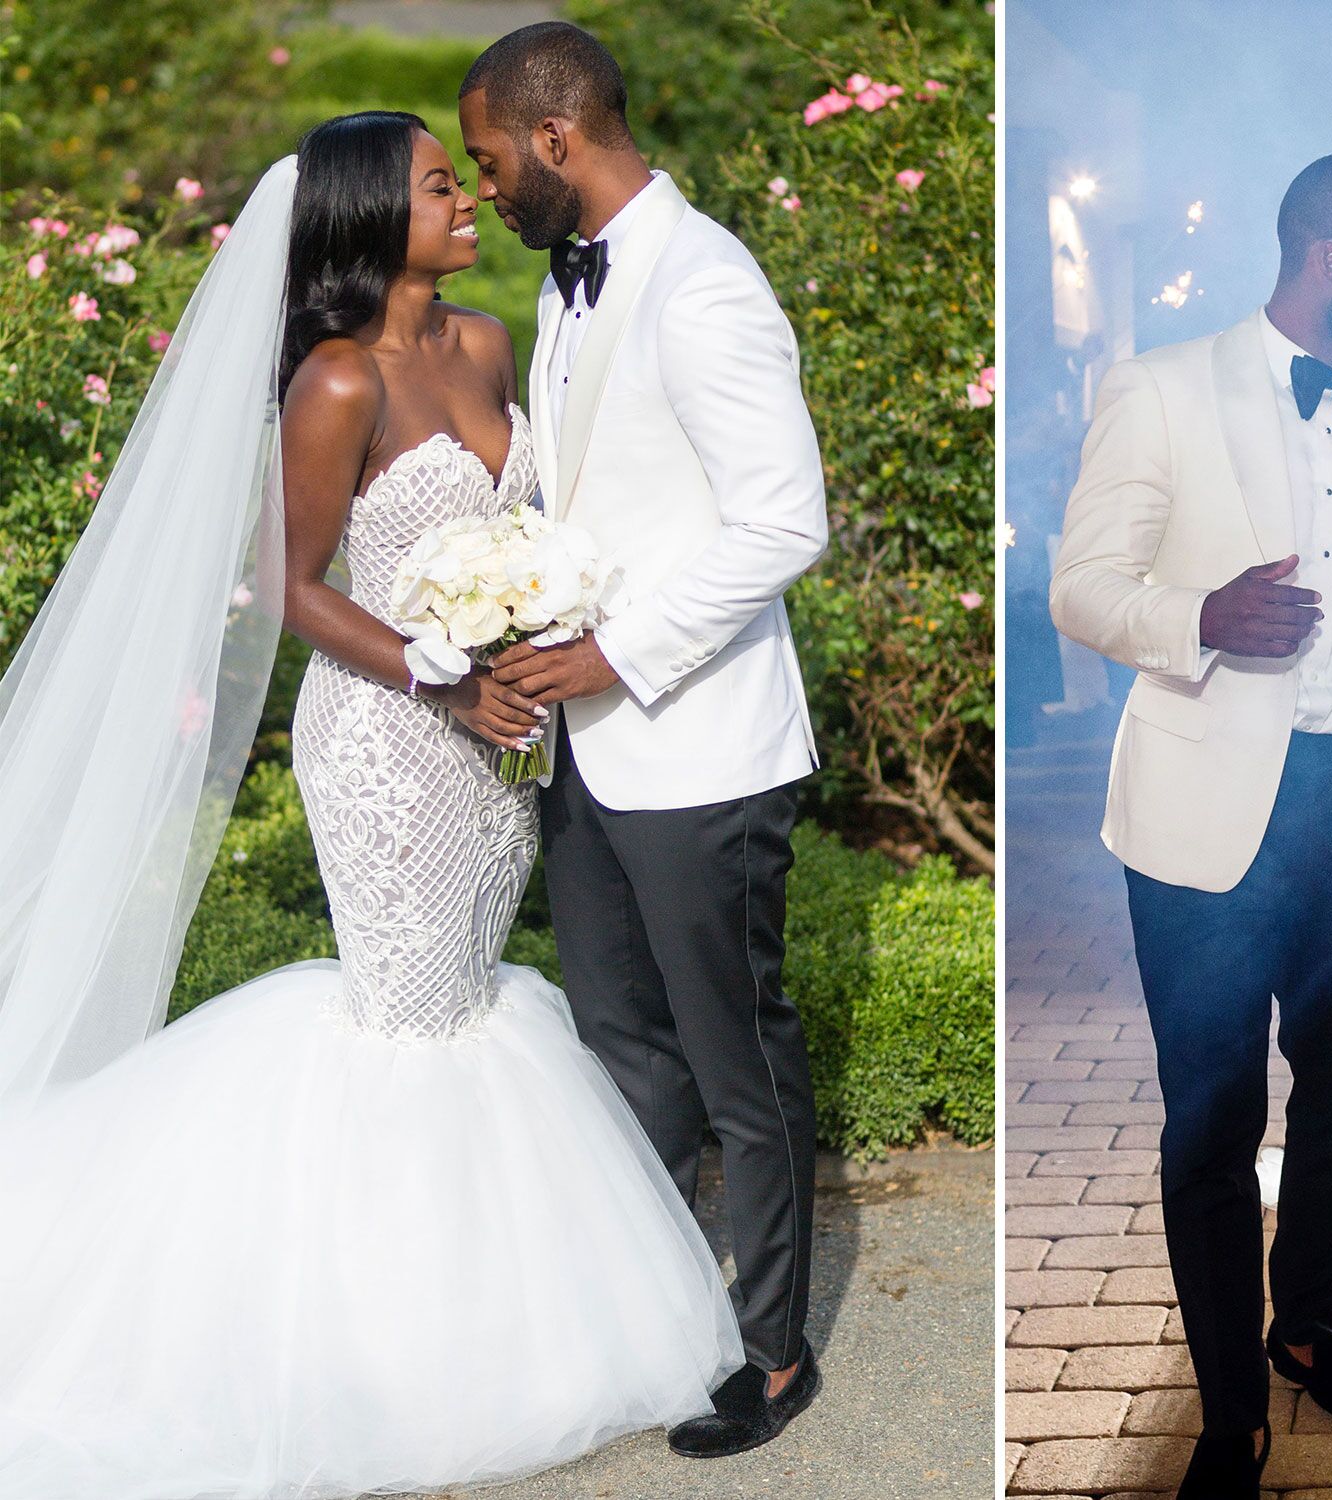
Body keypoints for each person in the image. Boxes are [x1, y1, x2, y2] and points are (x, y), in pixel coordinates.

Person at [0, 114, 741, 1498]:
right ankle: (388, 1352)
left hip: (502, 749)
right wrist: (441, 679)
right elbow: (291, 585)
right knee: (404, 1017)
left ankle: (484, 1312)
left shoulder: (486, 343)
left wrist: (537, 624)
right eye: (439, 184)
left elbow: (534, 521)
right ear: (361, 217)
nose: (469, 198)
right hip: (389, 746)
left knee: (469, 1005)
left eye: (460, 179)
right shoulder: (335, 383)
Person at [1049, 151, 1332, 1500]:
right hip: (1204, 814)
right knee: (1212, 1121)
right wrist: (1198, 620)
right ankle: (1228, 1413)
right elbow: (1080, 588)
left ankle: (1307, 1328)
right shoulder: (1162, 387)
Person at [456, 21, 827, 1457]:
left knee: (739, 1062)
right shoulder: (567, 285)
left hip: (699, 746)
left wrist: (609, 653)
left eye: (489, 158)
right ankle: (657, 1322)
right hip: (585, 752)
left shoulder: (707, 283)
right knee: (627, 1049)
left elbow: (783, 522)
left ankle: (776, 1352)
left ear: (556, 138)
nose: (484, 186)